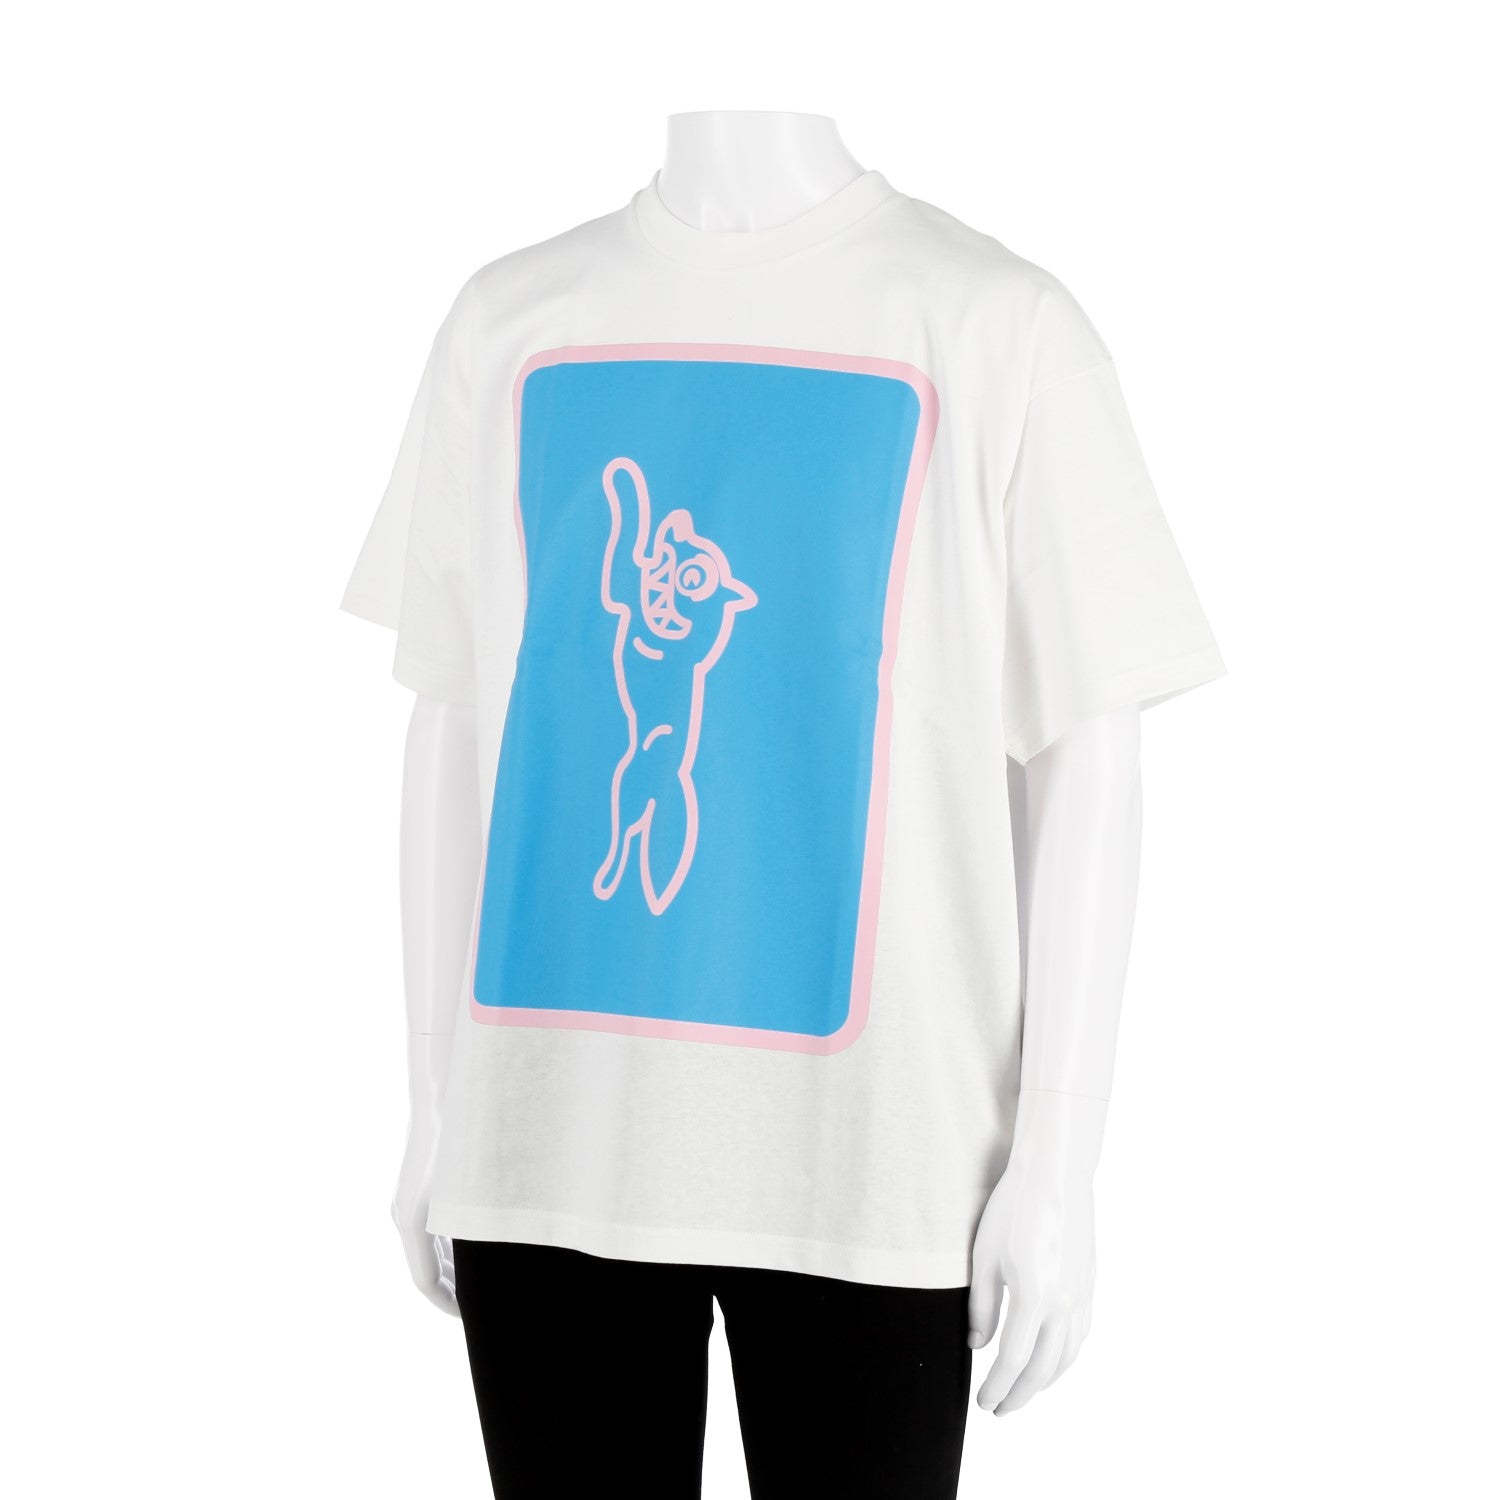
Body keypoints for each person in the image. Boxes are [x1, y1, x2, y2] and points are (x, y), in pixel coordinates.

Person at [341, 111, 1224, 1498]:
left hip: (874, 1164)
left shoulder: (996, 326)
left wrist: (1057, 1155)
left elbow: (1090, 745)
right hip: (552, 1143)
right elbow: (452, 719)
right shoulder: (511, 324)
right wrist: (438, 1101)